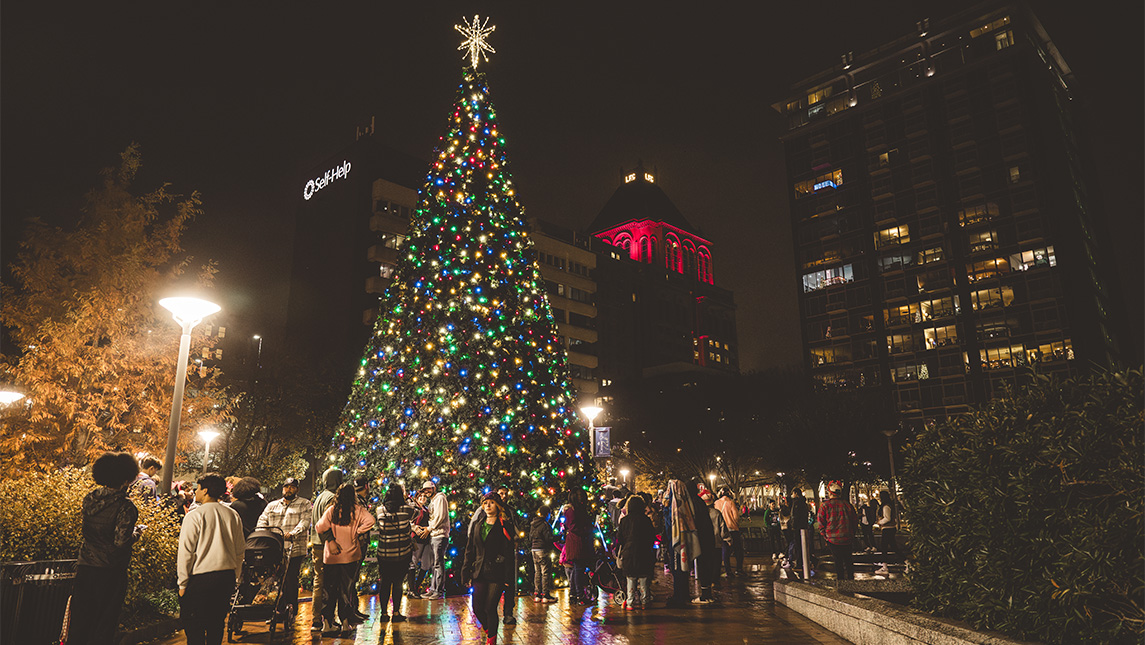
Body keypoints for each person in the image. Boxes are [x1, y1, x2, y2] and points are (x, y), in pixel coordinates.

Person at [70, 452, 144, 645]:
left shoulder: (90, 499)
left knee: (80, 620)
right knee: (104, 622)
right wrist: (136, 534)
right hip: (110, 571)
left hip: (85, 566)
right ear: (126, 478)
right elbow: (121, 541)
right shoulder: (125, 507)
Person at [178, 473, 245, 645]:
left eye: (198, 488)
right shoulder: (232, 515)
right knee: (216, 624)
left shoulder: (194, 516)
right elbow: (239, 551)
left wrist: (183, 583)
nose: (196, 491)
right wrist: (235, 575)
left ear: (205, 490)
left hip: (201, 579)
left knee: (194, 626)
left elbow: (186, 552)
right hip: (226, 577)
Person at [314, 483, 376, 635]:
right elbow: (371, 520)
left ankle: (327, 624)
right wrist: (357, 532)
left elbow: (319, 527)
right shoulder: (358, 510)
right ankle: (345, 623)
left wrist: (331, 540)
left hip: (332, 557)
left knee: (329, 590)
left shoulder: (332, 510)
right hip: (350, 555)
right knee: (345, 591)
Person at [462, 492, 516, 645]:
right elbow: (470, 549)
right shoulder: (478, 524)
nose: (488, 506)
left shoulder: (505, 525)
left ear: (498, 506)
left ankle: (491, 640)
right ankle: (489, 628)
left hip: (497, 573)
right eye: (485, 503)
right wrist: (465, 571)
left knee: (490, 606)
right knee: (477, 607)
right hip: (479, 572)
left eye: (491, 503)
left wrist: (508, 577)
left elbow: (508, 553)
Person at [255, 477, 310, 622]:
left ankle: (290, 610)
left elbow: (305, 521)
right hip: (274, 549)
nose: (289, 489)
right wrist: (263, 532)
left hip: (294, 548)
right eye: (287, 487)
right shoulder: (272, 505)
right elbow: (262, 520)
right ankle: (274, 610)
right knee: (274, 580)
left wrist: (293, 533)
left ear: (297, 489)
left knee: (290, 580)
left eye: (292, 487)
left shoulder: (303, 504)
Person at [309, 467, 344, 630]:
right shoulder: (332, 498)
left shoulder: (319, 497)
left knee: (318, 582)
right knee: (330, 584)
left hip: (316, 544)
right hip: (326, 546)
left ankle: (316, 618)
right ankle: (327, 619)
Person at [375, 483, 415, 622]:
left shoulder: (380, 510)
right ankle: (396, 613)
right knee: (398, 583)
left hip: (384, 554)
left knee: (385, 583)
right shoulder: (407, 510)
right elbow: (417, 513)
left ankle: (384, 614)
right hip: (401, 554)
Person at [662, 479, 697, 607]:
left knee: (677, 567)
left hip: (676, 537)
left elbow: (669, 521)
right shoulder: (687, 502)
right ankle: (683, 593)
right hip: (683, 537)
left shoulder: (674, 504)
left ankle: (679, 595)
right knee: (683, 567)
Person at [616, 495, 655, 610]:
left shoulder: (624, 521)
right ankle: (645, 600)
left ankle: (630, 602)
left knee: (631, 579)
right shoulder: (646, 520)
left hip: (629, 552)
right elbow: (651, 536)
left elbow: (620, 538)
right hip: (644, 552)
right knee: (643, 579)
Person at [816, 481, 859, 581]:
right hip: (847, 538)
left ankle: (841, 583)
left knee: (838, 562)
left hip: (833, 539)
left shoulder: (825, 506)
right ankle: (851, 582)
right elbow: (854, 521)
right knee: (848, 561)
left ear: (830, 493)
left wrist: (825, 536)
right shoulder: (847, 505)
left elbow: (820, 523)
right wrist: (852, 534)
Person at [558, 488, 593, 605]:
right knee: (578, 568)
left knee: (576, 569)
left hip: (578, 540)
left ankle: (574, 594)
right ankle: (579, 595)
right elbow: (573, 526)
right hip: (576, 541)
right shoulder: (572, 510)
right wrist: (586, 530)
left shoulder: (576, 509)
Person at [689, 481, 717, 602]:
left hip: (701, 537)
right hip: (707, 537)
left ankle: (705, 595)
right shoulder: (699, 502)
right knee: (706, 565)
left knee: (703, 565)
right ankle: (707, 593)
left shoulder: (693, 503)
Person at [421, 480, 450, 599]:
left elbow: (440, 516)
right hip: (434, 535)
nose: (427, 492)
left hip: (440, 535)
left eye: (429, 489)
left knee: (438, 563)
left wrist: (429, 528)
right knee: (434, 564)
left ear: (434, 488)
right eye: (424, 490)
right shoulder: (433, 501)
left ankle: (438, 590)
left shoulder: (440, 499)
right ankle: (433, 589)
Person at [700, 489, 730, 589]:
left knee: (706, 562)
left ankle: (707, 581)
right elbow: (723, 528)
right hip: (716, 541)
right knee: (716, 562)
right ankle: (714, 580)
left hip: (704, 542)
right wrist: (727, 538)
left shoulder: (700, 514)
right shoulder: (716, 513)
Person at [406, 489, 432, 598]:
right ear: (416, 497)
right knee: (413, 562)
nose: (422, 498)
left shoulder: (426, 509)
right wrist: (415, 528)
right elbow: (408, 521)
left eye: (424, 497)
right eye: (420, 496)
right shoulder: (413, 507)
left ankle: (416, 587)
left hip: (426, 538)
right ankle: (411, 590)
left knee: (426, 564)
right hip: (416, 538)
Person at [529, 505, 557, 602]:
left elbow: (530, 537)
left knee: (537, 572)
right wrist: (558, 537)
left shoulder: (533, 524)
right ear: (547, 514)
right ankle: (545, 595)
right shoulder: (545, 525)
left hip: (534, 549)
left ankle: (537, 594)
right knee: (545, 572)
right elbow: (548, 539)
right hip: (543, 549)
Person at [714, 488, 744, 577]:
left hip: (722, 530)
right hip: (732, 529)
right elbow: (736, 517)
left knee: (725, 551)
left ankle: (728, 571)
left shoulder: (716, 503)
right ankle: (739, 569)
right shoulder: (731, 503)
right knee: (738, 549)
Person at [787, 489, 811, 577]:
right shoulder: (803, 503)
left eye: (793, 493)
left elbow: (795, 516)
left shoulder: (797, 503)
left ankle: (800, 563)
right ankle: (804, 562)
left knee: (798, 546)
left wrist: (793, 526)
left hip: (798, 528)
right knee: (801, 546)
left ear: (796, 494)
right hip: (803, 527)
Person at [875, 490, 897, 574]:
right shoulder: (889, 505)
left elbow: (887, 518)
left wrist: (879, 522)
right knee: (893, 547)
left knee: (884, 547)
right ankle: (907, 562)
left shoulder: (886, 506)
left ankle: (885, 567)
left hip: (888, 529)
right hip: (890, 528)